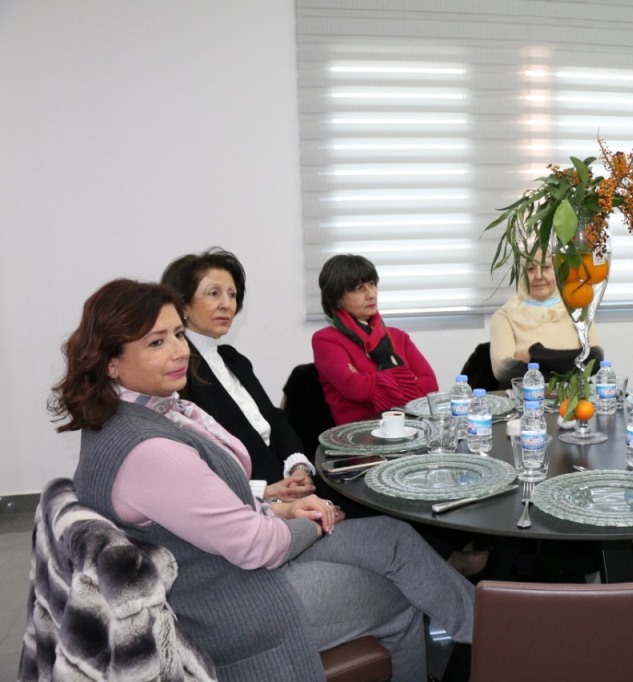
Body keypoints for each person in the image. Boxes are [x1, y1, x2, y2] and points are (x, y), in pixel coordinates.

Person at [51, 279, 475, 681]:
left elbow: (208, 507)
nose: (179, 351)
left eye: (178, 334)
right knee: (399, 594)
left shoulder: (132, 417)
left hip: (224, 564)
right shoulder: (150, 450)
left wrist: (279, 507)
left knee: (392, 538)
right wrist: (308, 524)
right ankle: (492, 637)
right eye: (156, 343)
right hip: (228, 604)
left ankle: (488, 631)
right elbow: (255, 546)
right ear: (111, 362)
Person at [161, 248, 315, 503]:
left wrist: (298, 467)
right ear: (184, 304)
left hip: (287, 484)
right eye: (214, 293)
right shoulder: (178, 372)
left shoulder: (233, 358)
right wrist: (264, 492)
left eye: (232, 295)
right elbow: (198, 462)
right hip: (250, 502)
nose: (227, 304)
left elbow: (273, 419)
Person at [313, 254, 438, 425]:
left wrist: (370, 381)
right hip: (361, 433)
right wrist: (409, 381)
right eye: (359, 288)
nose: (371, 294)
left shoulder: (398, 336)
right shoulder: (326, 340)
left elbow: (431, 386)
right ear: (337, 299)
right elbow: (355, 389)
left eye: (372, 285)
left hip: (411, 428)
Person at [489, 256, 604, 386]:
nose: (539, 276)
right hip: (530, 397)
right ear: (521, 273)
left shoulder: (577, 309)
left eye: (546, 267)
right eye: (530, 269)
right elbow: (505, 371)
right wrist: (569, 371)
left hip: (577, 396)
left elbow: (595, 359)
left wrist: (534, 355)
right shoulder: (504, 316)